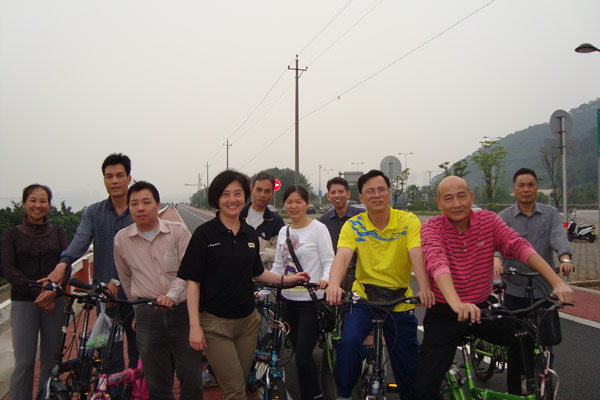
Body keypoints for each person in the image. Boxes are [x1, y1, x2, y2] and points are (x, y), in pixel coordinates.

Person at [411, 176, 574, 399]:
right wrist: (457, 303)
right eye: (448, 198)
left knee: (525, 334)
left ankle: (518, 391)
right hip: (446, 309)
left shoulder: (488, 220)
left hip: (481, 306)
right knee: (423, 387)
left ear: (471, 198)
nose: (456, 204)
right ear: (439, 203)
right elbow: (438, 263)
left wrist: (557, 282)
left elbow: (520, 247)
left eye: (461, 196)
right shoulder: (432, 228)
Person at [177, 170, 309, 400]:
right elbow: (193, 282)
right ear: (217, 198)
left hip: (248, 324)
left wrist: (287, 280)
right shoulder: (204, 235)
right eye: (225, 194)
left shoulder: (249, 233)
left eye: (237, 194)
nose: (232, 199)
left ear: (244, 196)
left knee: (241, 380)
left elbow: (258, 272)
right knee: (235, 391)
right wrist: (195, 326)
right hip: (215, 325)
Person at [326, 169, 434, 400]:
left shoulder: (407, 220)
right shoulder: (354, 225)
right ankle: (344, 394)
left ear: (389, 193)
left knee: (408, 360)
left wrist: (424, 288)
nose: (376, 195)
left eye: (381, 189)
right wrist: (334, 285)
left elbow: (416, 253)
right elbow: (343, 256)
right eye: (370, 191)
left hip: (400, 299)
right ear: (361, 197)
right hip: (364, 297)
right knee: (348, 345)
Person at [114, 181, 203, 400]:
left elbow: (189, 270)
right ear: (129, 208)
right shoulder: (122, 240)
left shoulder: (177, 232)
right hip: (147, 313)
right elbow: (126, 279)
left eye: (146, 202)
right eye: (134, 203)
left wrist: (172, 296)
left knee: (191, 375)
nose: (140, 208)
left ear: (158, 204)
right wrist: (137, 310)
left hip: (182, 311)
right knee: (156, 379)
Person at [52, 153, 137, 377]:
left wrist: (116, 279)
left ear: (129, 178)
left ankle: (135, 389)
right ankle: (114, 391)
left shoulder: (138, 211)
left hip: (137, 293)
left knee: (139, 348)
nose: (114, 181)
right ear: (104, 180)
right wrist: (64, 262)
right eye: (109, 176)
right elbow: (80, 241)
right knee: (109, 351)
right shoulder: (93, 212)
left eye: (119, 175)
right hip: (105, 295)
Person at [2, 184, 71, 400]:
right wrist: (41, 295)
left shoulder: (58, 232)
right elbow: (8, 268)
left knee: (51, 360)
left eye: (43, 201)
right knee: (24, 361)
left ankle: (45, 396)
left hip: (55, 302)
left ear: (49, 205)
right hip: (24, 302)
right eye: (33, 200)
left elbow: (66, 264)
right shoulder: (12, 234)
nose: (38, 205)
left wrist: (52, 293)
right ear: (24, 203)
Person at [270, 185, 334, 400]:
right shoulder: (283, 231)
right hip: (288, 301)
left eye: (298, 201)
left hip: (311, 302)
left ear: (307, 204)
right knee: (298, 352)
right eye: (289, 202)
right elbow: (278, 266)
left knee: (303, 357)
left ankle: (313, 395)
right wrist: (262, 292)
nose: (293, 206)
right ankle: (313, 391)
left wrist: (325, 279)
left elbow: (329, 260)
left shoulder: (318, 229)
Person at [494, 167, 573, 304]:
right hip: (514, 287)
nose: (526, 189)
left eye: (531, 185)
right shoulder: (503, 217)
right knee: (511, 317)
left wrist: (565, 260)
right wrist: (497, 262)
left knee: (549, 317)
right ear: (514, 189)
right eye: (521, 185)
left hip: (545, 287)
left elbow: (559, 238)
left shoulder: (551, 214)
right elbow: (498, 245)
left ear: (537, 188)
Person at [319, 177, 361, 291]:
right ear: (328, 196)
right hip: (332, 274)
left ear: (348, 194)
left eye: (341, 192)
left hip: (358, 275)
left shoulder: (361, 217)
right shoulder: (324, 220)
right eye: (333, 192)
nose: (337, 195)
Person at [240, 172, 285, 270]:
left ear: (272, 194)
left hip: (265, 275)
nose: (262, 195)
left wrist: (258, 257)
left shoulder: (276, 222)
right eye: (259, 190)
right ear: (251, 189)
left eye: (267, 191)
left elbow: (279, 249)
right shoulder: (238, 216)